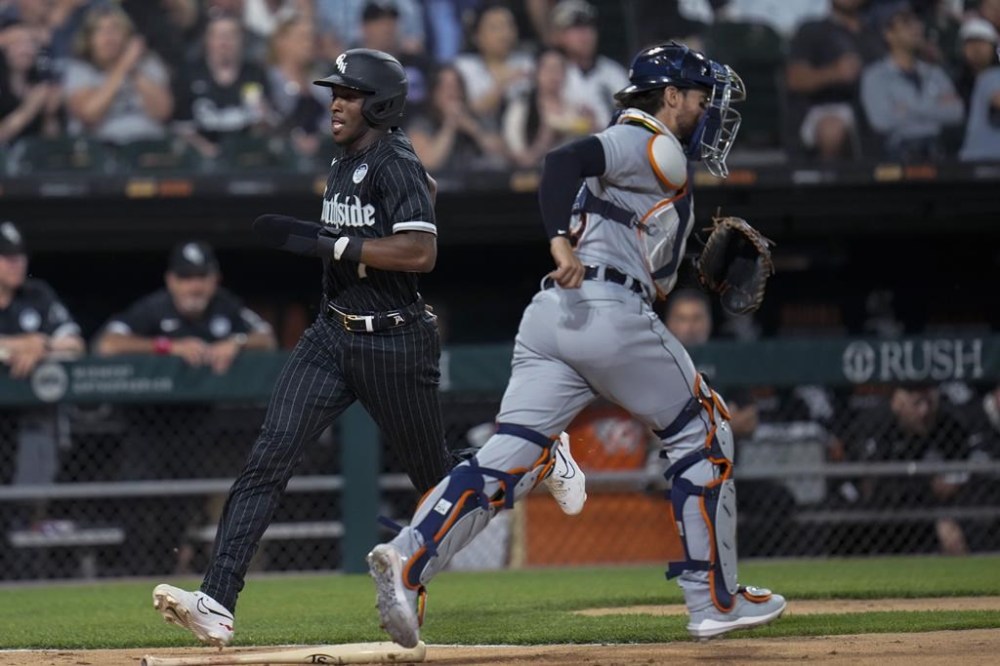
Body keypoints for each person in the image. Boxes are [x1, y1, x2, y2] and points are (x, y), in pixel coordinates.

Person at [364, 42, 785, 650]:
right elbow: (561, 162)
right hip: (607, 312)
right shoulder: (648, 139)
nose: (705, 111)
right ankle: (715, 601)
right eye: (698, 97)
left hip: (554, 320)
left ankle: (408, 560)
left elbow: (623, 233)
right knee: (705, 431)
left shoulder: (648, 160)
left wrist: (687, 260)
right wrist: (559, 242)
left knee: (509, 455)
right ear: (670, 97)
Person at [147, 48, 537, 646]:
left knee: (438, 484)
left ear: (378, 104)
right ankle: (216, 600)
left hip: (395, 341)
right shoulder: (347, 157)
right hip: (332, 335)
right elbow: (423, 191)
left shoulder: (392, 158)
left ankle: (532, 462)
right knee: (268, 457)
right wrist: (339, 242)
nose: (335, 101)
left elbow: (420, 252)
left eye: (349, 93)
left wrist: (332, 245)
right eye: (334, 91)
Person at [92, 240, 277, 575]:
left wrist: (235, 343)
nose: (195, 285)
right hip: (145, 427)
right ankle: (131, 574)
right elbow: (106, 344)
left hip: (196, 428)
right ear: (171, 280)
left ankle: (171, 568)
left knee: (182, 511)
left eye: (201, 276)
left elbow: (266, 338)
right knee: (138, 505)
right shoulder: (154, 309)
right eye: (186, 277)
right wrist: (167, 347)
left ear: (214, 279)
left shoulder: (225, 307)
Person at [0, 219, 85, 574]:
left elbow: (76, 344)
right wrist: (20, 344)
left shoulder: (38, 295)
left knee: (24, 506)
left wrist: (44, 344)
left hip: (26, 423)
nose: (17, 263)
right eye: (6, 257)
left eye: (19, 256)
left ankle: (23, 571)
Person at [860, 1, 964, 161]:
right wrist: (935, 108)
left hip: (938, 154)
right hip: (895, 156)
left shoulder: (934, 73)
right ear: (889, 34)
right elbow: (881, 121)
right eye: (906, 23)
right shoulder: (875, 76)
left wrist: (906, 109)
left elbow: (956, 112)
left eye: (916, 22)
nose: (915, 28)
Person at [63, 4, 173, 145]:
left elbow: (163, 112)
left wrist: (134, 71)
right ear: (89, 39)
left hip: (148, 147)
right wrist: (123, 66)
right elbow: (89, 114)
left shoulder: (148, 64)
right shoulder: (79, 69)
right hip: (100, 151)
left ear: (127, 34)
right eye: (100, 30)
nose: (108, 37)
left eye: (115, 29)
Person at [502, 47, 595, 169]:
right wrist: (545, 138)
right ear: (536, 73)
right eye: (548, 69)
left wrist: (593, 129)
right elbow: (522, 160)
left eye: (559, 69)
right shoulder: (521, 108)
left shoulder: (575, 108)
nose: (554, 75)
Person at [548, 0, 628, 129]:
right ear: (557, 35)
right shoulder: (551, 73)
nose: (584, 34)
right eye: (575, 28)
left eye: (588, 26)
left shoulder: (613, 72)